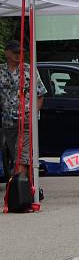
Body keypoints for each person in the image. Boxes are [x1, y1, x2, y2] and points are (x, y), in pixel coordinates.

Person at [0, 40, 46, 178]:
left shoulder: (29, 70)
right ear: (6, 53)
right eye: (15, 52)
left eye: (21, 52)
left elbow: (40, 94)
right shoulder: (1, 71)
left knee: (22, 156)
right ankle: (26, 186)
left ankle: (20, 190)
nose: (19, 55)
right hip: (8, 121)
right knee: (16, 156)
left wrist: (32, 115)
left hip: (25, 119)